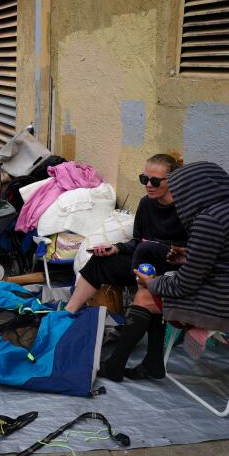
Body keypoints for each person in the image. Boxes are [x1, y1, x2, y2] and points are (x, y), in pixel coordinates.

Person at [62, 153, 188, 382]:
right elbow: (138, 241)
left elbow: (192, 255)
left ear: (173, 181)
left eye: (155, 181)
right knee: (102, 260)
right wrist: (116, 248)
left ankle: (125, 363)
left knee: (147, 287)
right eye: (144, 179)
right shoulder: (147, 204)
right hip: (144, 263)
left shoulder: (187, 210)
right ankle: (67, 315)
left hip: (172, 270)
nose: (148, 185)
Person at [134, 160, 229, 351]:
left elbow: (185, 285)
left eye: (179, 191)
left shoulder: (209, 219)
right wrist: (190, 256)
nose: (177, 197)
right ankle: (149, 364)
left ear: (193, 191)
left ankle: (122, 364)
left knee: (146, 296)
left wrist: (151, 282)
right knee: (158, 288)